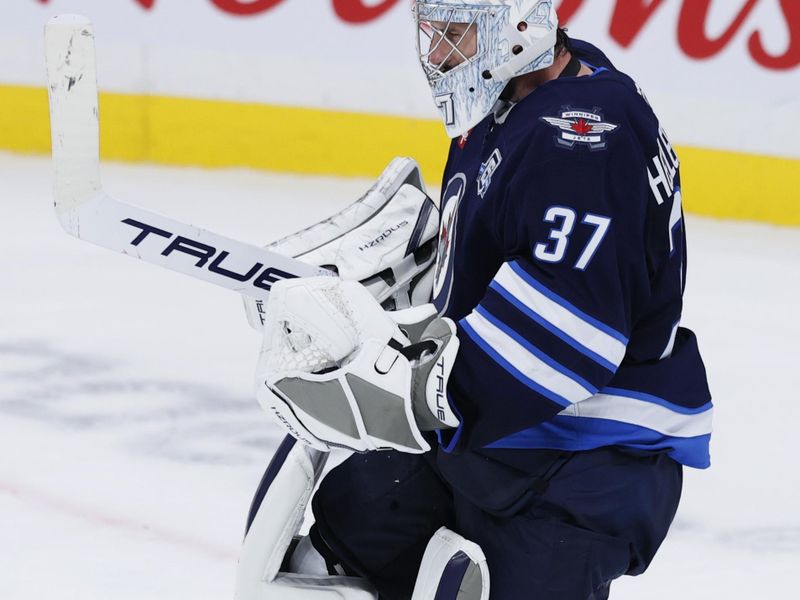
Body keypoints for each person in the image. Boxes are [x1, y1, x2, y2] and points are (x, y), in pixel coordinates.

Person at [253, 1, 713, 599]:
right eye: (434, 31)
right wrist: (414, 282)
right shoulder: (525, 94)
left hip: (583, 460)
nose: (437, 53)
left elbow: (570, 333)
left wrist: (414, 392)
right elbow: (513, 240)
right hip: (497, 433)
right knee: (336, 550)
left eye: (456, 32)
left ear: (518, 25)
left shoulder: (581, 136)